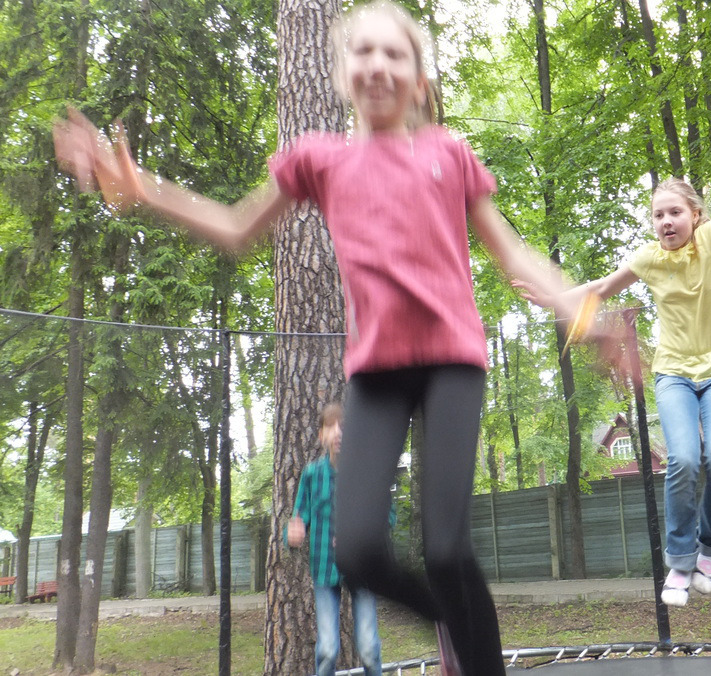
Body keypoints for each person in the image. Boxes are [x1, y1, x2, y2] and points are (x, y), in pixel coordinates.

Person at [52, 2, 600, 673]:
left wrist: (583, 308)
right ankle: (452, 618)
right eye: (363, 52)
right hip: (376, 372)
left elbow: (513, 255)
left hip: (453, 361)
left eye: (394, 54)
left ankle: (476, 652)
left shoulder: (448, 154)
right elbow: (236, 227)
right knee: (358, 551)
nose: (377, 65)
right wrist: (146, 191)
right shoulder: (319, 160)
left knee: (446, 549)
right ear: (341, 74)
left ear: (418, 80)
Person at [517, 92, 711, 608]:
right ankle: (679, 563)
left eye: (675, 213)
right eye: (658, 216)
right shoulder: (649, 259)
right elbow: (599, 289)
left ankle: (709, 548)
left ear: (694, 215)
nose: (666, 222)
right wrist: (552, 297)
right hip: (674, 374)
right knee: (682, 460)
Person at [288, 403, 383, 676]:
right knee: (327, 650)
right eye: (331, 426)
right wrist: (292, 533)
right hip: (324, 568)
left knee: (368, 648)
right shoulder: (311, 475)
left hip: (361, 568)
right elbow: (299, 518)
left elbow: (386, 515)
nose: (339, 432)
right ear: (321, 436)